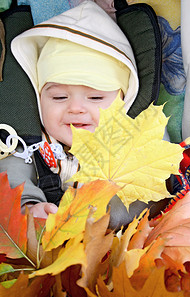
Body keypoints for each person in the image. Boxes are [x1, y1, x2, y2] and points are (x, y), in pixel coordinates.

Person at [0, 0, 144, 229]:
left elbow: (146, 194)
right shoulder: (32, 145)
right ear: (39, 100)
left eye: (95, 98)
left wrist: (101, 211)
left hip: (103, 238)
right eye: (59, 97)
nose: (75, 108)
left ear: (124, 100)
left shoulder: (132, 144)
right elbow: (10, 176)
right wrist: (27, 208)